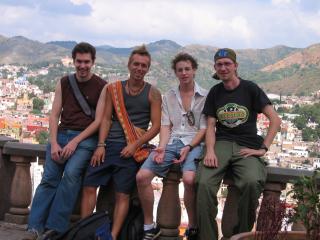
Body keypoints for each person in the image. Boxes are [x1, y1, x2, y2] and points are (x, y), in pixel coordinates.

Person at [196, 48, 281, 240]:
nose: (223, 68)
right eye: (219, 65)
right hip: (222, 142)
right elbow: (210, 125)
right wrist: (209, 150)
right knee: (203, 183)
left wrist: (263, 149)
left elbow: (275, 120)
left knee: (251, 182)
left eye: (227, 64)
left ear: (236, 66)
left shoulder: (250, 88)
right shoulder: (215, 92)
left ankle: (241, 235)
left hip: (247, 144)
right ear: (215, 68)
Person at [26, 42, 107, 239]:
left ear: (93, 62)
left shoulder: (102, 86)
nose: (82, 66)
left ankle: (55, 228)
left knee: (71, 177)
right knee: (49, 179)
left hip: (85, 138)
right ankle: (34, 227)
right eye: (79, 61)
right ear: (73, 61)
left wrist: (75, 142)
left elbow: (98, 121)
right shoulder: (64, 82)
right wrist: (54, 142)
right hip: (61, 135)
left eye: (86, 62)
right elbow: (54, 115)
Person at [81, 45, 162, 240]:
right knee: (89, 185)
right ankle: (84, 231)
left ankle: (113, 236)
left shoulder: (153, 93)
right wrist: (101, 145)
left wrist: (134, 145)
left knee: (122, 194)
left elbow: (156, 126)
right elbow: (106, 119)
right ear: (129, 65)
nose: (139, 69)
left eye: (144, 65)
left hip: (131, 149)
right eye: (136, 64)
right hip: (108, 146)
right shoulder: (114, 89)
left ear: (148, 69)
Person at [136, 53, 207, 240]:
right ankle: (148, 225)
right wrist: (161, 147)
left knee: (190, 179)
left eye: (187, 69)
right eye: (180, 70)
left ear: (194, 71)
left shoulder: (205, 96)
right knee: (142, 177)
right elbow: (166, 125)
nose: (184, 73)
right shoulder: (169, 96)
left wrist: (190, 147)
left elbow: (204, 129)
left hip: (195, 143)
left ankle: (192, 226)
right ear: (175, 72)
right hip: (173, 141)